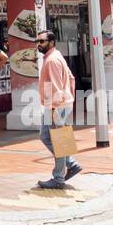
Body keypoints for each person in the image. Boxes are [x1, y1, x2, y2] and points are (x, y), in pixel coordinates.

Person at [36, 28, 82, 189]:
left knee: (58, 140)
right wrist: (69, 98)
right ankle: (71, 163)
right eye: (38, 41)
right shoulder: (56, 56)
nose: (39, 44)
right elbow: (71, 77)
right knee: (46, 136)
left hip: (56, 106)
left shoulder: (52, 60)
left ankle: (58, 178)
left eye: (42, 41)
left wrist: (58, 105)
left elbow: (56, 86)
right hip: (58, 104)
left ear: (52, 42)